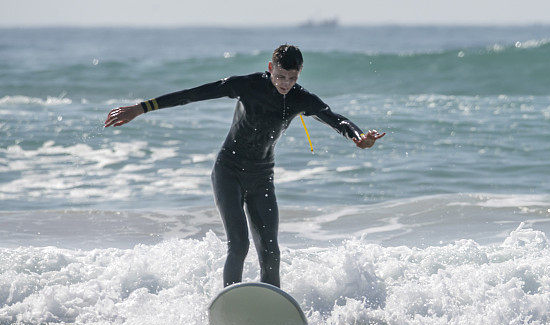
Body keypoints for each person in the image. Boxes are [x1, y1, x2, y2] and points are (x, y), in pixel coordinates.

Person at [104, 44, 384, 288]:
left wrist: (358, 137)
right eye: (280, 76)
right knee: (239, 245)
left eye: (291, 78)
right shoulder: (247, 85)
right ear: (270, 67)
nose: (285, 83)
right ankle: (230, 303)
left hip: (262, 177)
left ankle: (272, 309)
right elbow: (193, 93)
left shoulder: (301, 98)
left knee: (271, 252)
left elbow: (334, 118)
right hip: (229, 172)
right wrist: (142, 107)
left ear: (299, 73)